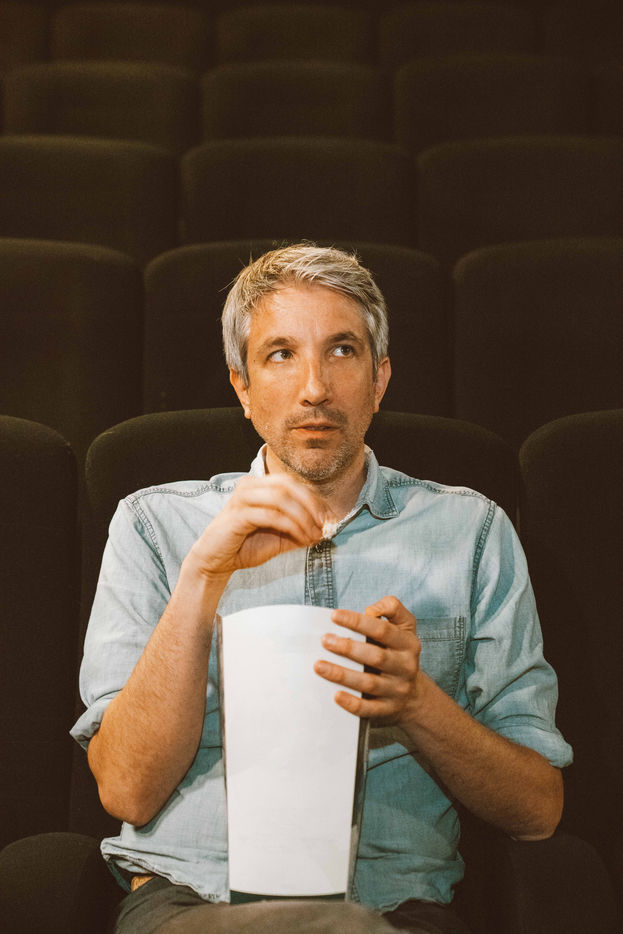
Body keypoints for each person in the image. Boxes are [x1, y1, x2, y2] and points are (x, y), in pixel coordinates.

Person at [71, 243, 573, 934]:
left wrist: (415, 702)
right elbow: (126, 789)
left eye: (342, 350)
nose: (314, 388)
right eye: (280, 354)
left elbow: (538, 810)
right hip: (191, 902)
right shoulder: (155, 525)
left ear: (379, 378)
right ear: (242, 387)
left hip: (393, 911)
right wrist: (202, 580)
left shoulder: (471, 531)